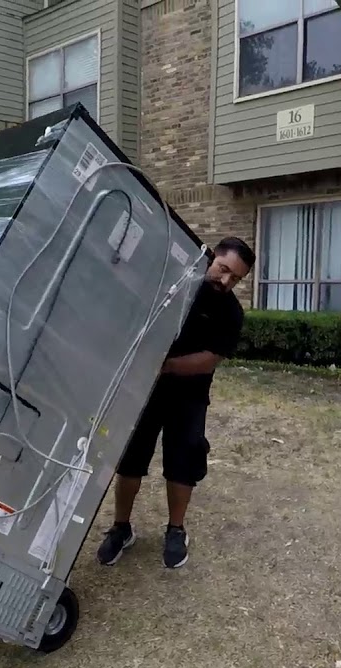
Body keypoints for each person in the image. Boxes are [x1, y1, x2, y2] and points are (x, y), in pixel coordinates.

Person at [97, 236, 254, 569]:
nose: (226, 281)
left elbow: (209, 359)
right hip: (144, 392)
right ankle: (121, 528)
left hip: (190, 397)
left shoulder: (231, 312)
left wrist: (163, 365)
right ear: (211, 257)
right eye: (223, 269)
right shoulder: (174, 283)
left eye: (235, 278)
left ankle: (175, 530)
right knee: (131, 460)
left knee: (183, 463)